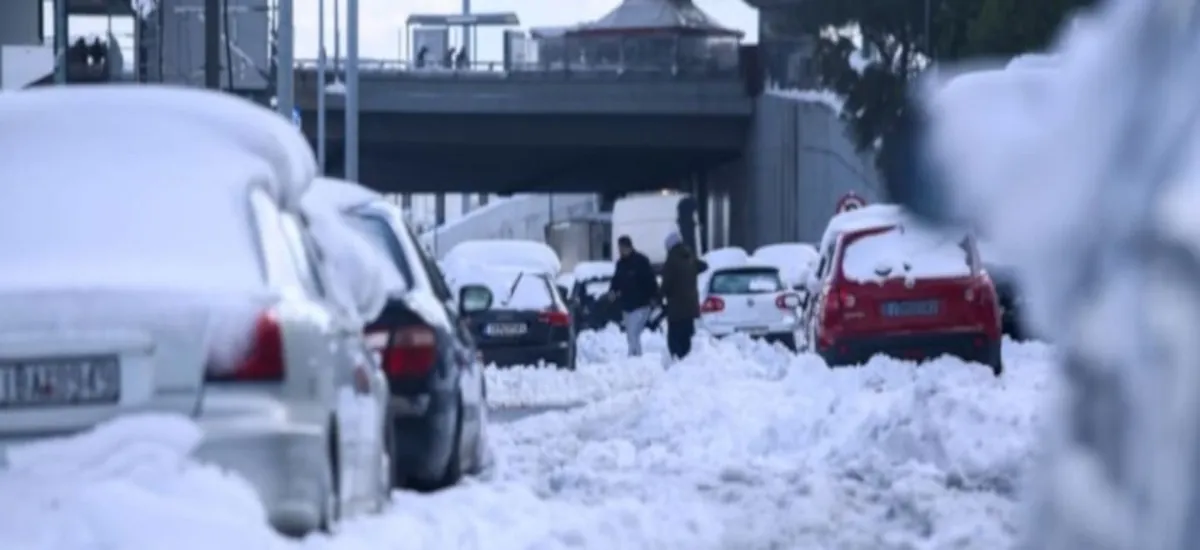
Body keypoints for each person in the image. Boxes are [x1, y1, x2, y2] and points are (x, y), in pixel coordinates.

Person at [659, 232, 707, 361]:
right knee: (688, 337)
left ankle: (678, 363)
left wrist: (658, 297)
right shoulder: (689, 257)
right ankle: (688, 362)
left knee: (674, 339)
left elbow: (666, 284)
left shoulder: (672, 261)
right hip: (691, 307)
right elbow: (703, 266)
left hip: (676, 309)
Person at [608, 235, 658, 357]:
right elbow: (616, 281)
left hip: (641, 304)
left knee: (634, 333)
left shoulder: (641, 261)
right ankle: (634, 359)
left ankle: (634, 357)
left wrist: (654, 297)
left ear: (629, 247)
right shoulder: (620, 264)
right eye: (619, 248)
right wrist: (612, 291)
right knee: (631, 334)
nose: (620, 251)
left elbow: (650, 280)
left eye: (622, 248)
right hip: (626, 305)